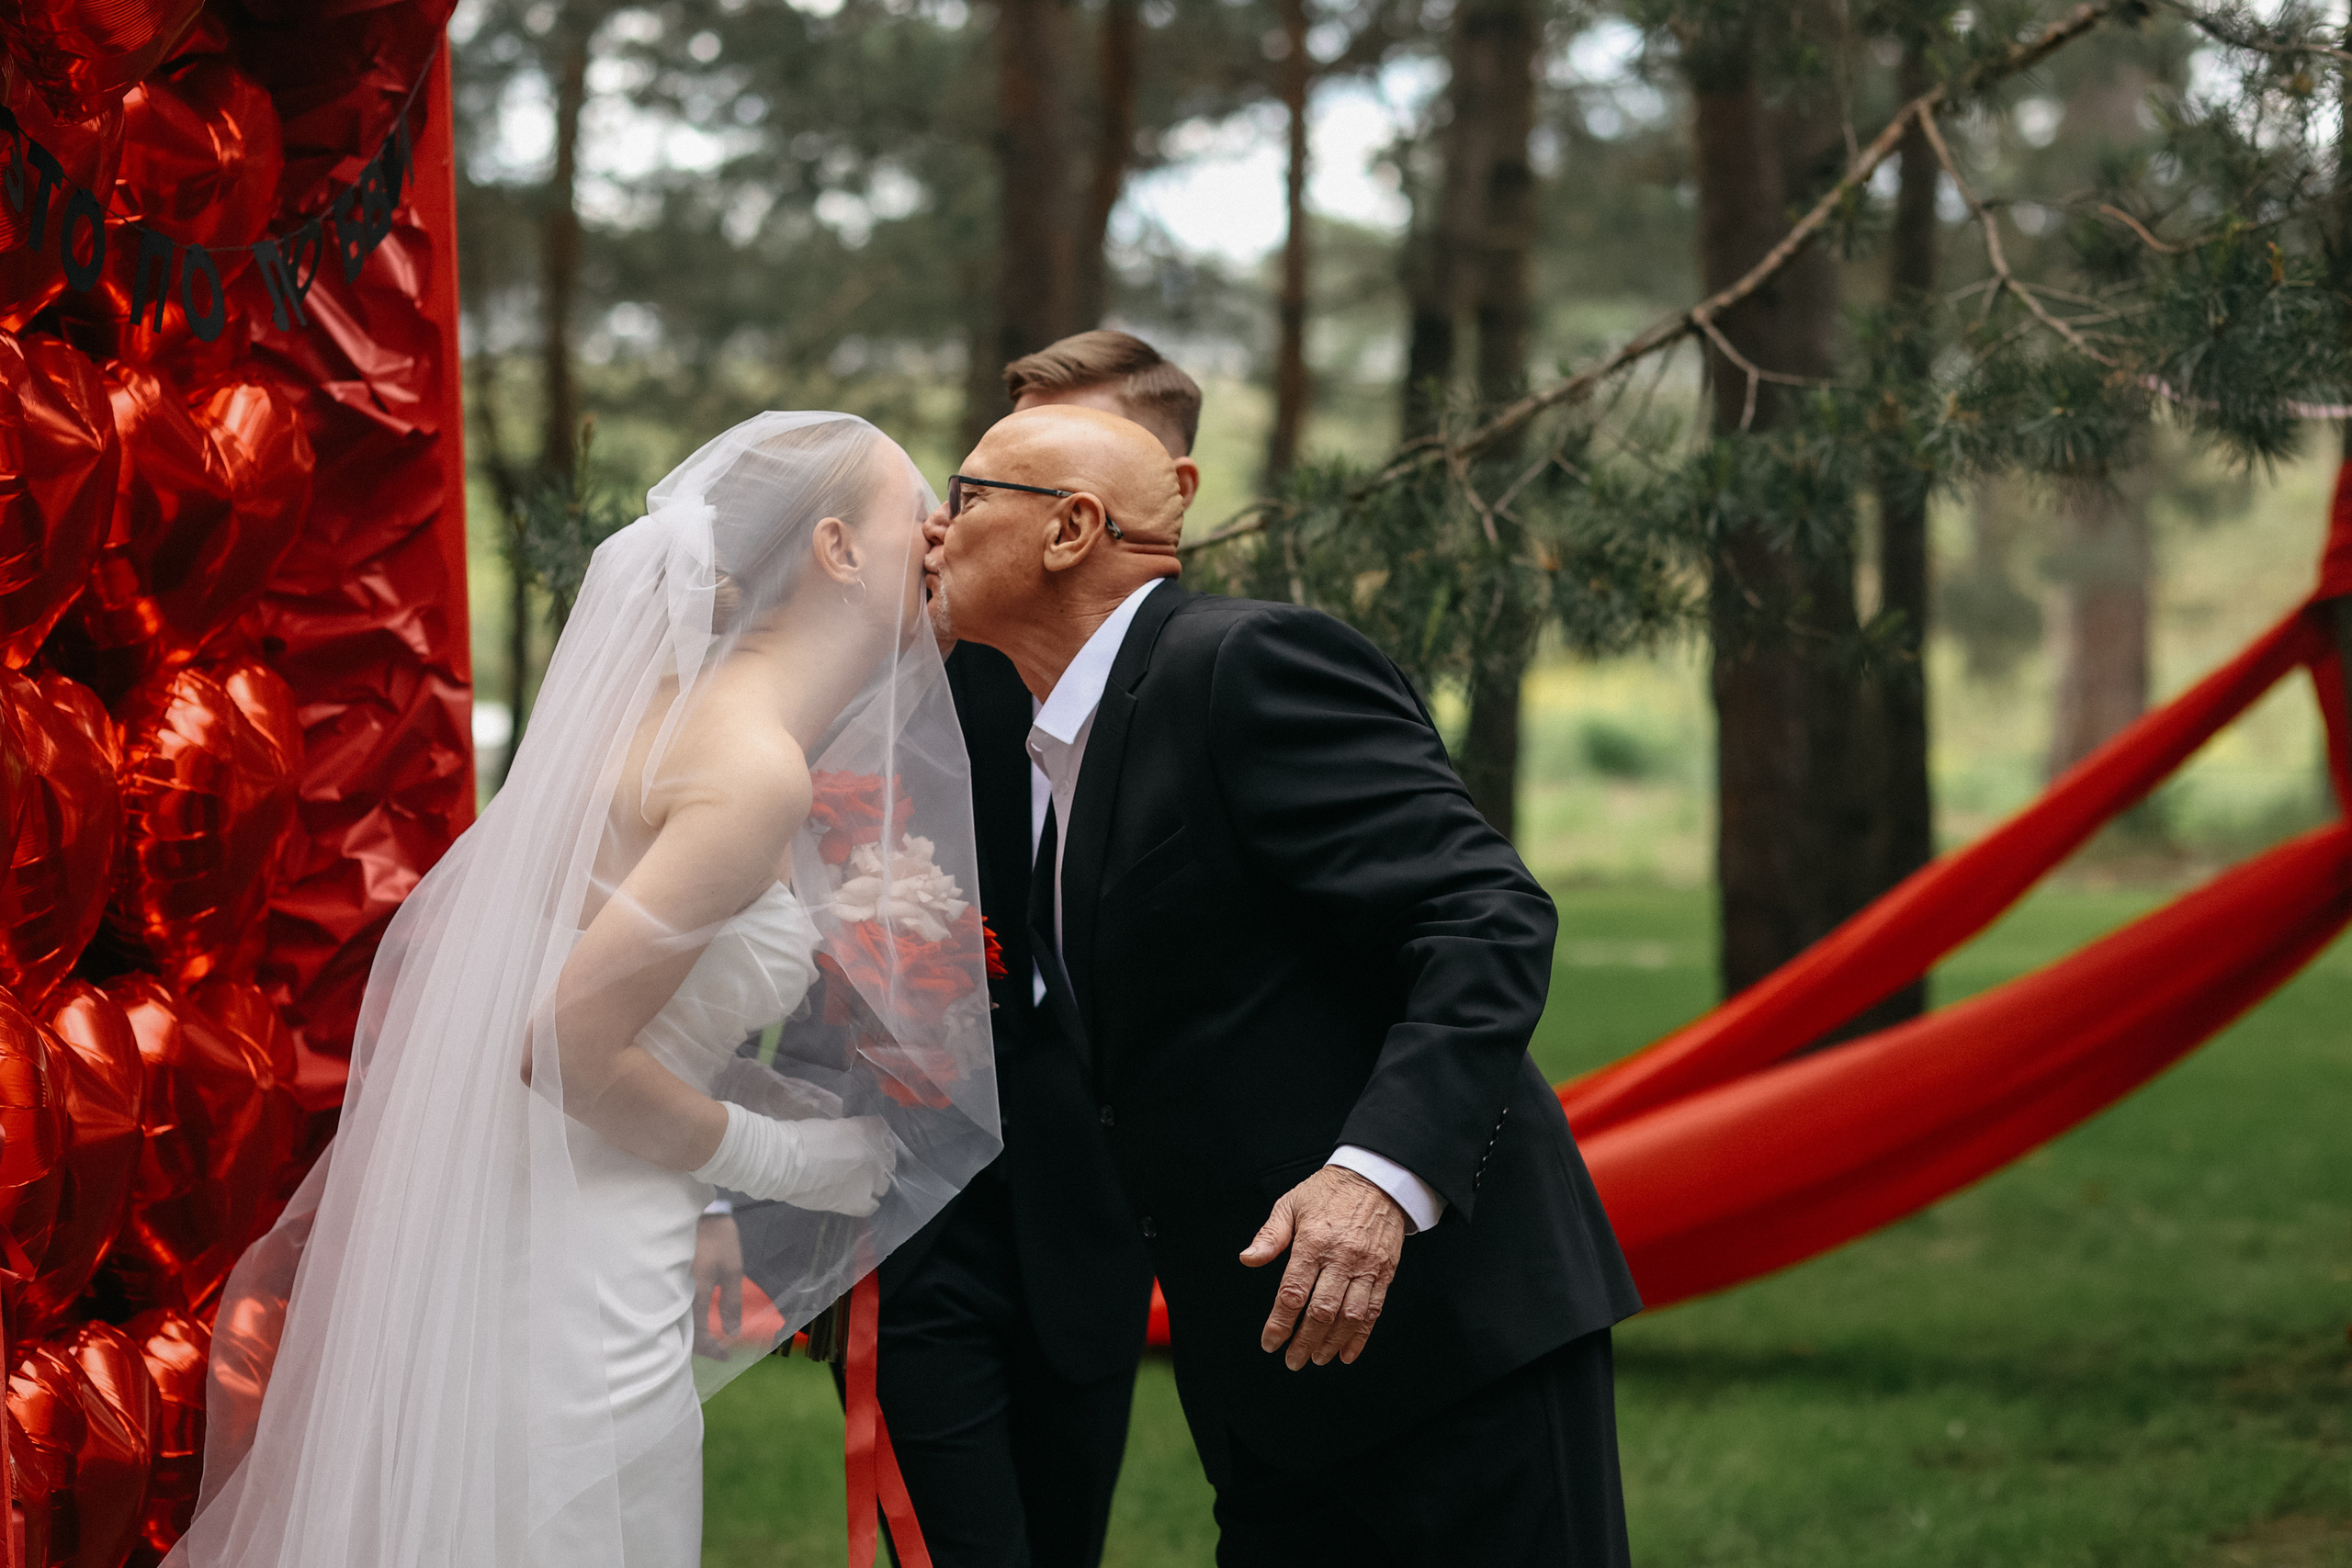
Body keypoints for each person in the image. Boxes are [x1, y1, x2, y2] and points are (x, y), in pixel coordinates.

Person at [169, 414, 1000, 1568]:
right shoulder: (750, 764)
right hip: (584, 1257)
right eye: (918, 508)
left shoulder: (693, 722)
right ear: (836, 549)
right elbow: (566, 1045)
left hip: (558, 1207)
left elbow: (652, 1009)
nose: (945, 534)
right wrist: (797, 1163)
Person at [922, 404, 1644, 1566]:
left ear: (1071, 529)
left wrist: (1374, 1181)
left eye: (961, 500)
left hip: (1441, 1339)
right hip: (1269, 1377)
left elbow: (1482, 914)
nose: (930, 532)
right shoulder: (1057, 748)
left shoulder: (1245, 662)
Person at [703, 331, 1204, 1568]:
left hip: (1096, 1210)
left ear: (1160, 490)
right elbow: (804, 921)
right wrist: (754, 1188)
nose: (977, 517)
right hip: (915, 1202)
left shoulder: (1217, 687)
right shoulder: (903, 670)